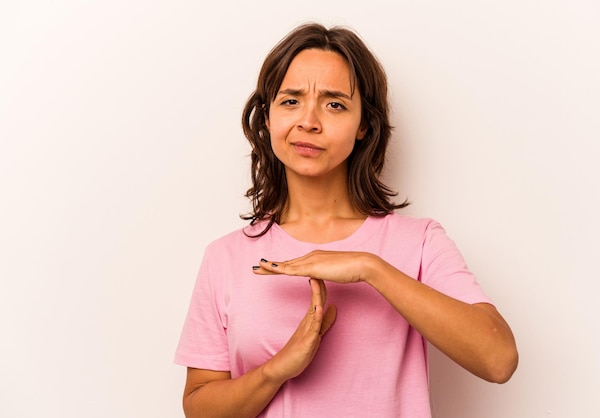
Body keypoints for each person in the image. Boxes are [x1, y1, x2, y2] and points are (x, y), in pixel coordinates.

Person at [174, 22, 518, 418]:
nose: (309, 121)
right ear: (267, 118)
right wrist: (276, 371)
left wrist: (369, 268)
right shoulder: (226, 257)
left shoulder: (420, 242)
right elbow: (199, 408)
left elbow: (499, 360)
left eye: (334, 104)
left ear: (364, 125)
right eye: (291, 101)